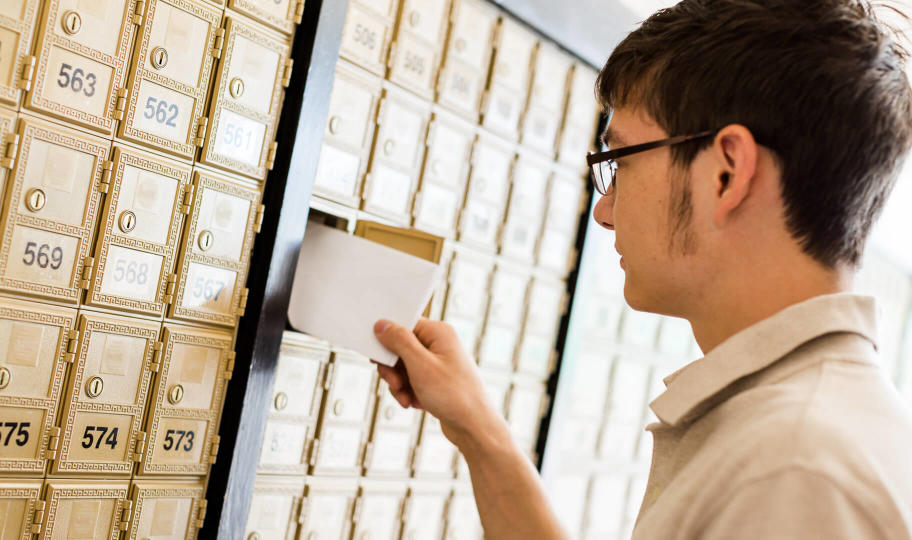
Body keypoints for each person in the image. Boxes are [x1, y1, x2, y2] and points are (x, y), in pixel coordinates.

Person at [372, 0, 912, 538]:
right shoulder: (809, 429)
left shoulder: (795, 470)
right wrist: (478, 431)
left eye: (620, 162)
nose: (604, 213)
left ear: (726, 173)